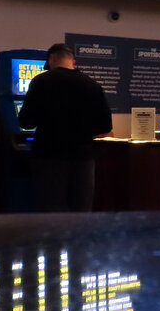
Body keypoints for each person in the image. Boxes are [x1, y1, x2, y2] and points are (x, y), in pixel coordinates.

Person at [17, 43, 112, 211]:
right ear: (72, 61)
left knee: (50, 212)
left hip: (49, 157)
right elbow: (104, 127)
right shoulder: (92, 85)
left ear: (52, 58)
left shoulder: (41, 82)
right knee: (81, 212)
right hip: (83, 159)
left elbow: (26, 121)